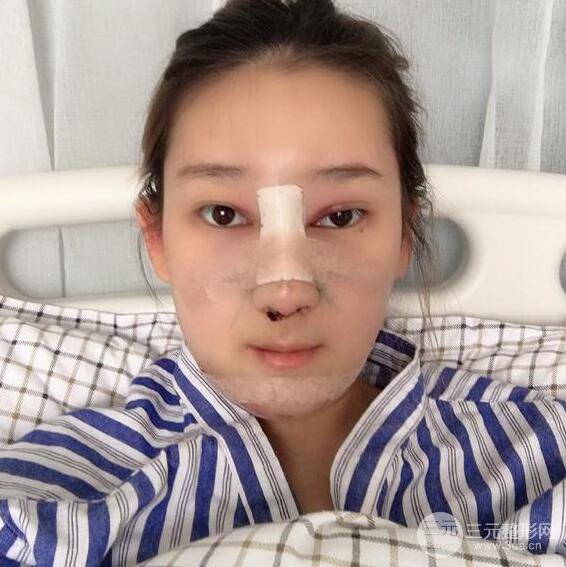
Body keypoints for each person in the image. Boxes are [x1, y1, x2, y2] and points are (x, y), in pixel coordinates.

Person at [0, 0, 564, 565]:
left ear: (403, 236)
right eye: (224, 214)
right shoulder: (56, 503)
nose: (286, 295)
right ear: (158, 238)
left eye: (340, 217)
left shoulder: (536, 460)